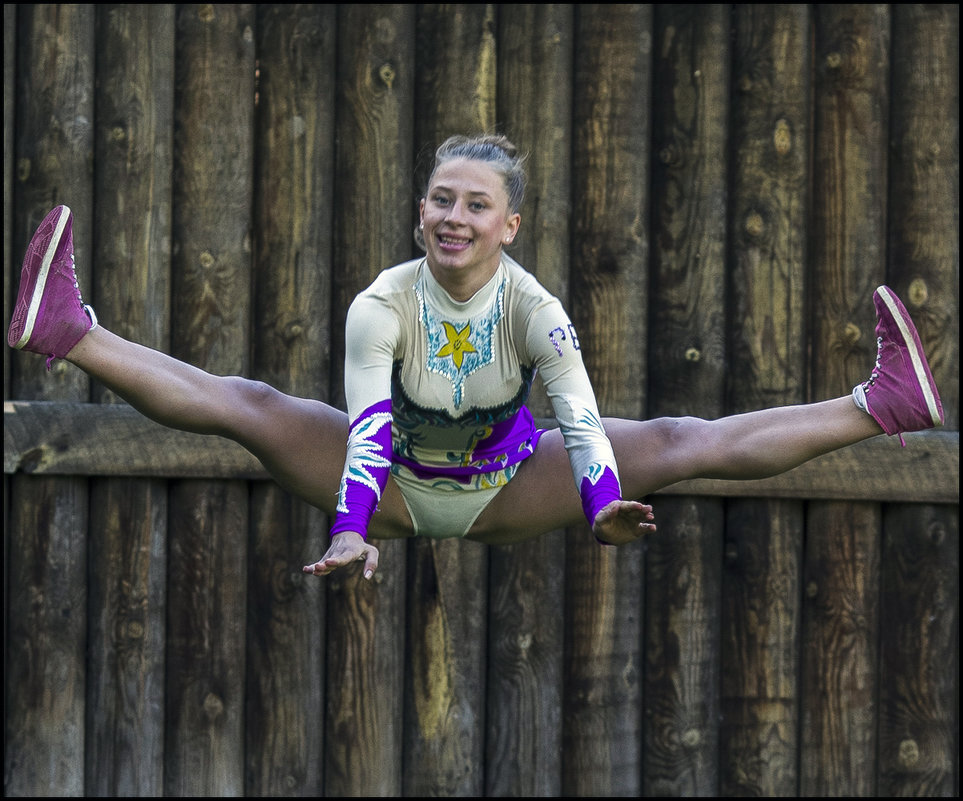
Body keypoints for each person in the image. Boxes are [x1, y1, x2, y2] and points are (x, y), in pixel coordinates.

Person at [8, 134, 945, 582]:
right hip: (392, 481)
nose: (452, 216)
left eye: (473, 204)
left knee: (677, 437)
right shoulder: (381, 304)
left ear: (509, 223)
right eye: (439, 200)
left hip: (504, 484)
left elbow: (576, 411)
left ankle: (881, 403)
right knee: (245, 402)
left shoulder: (536, 309)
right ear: (420, 211)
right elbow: (368, 423)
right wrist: (349, 527)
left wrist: (595, 503)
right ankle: (69, 330)